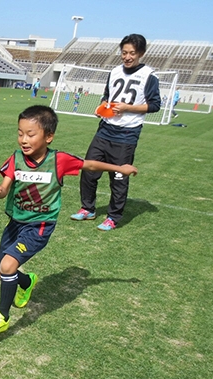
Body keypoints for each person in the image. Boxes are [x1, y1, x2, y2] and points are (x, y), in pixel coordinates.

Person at [0, 105, 138, 336]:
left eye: (31, 134)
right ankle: (26, 282)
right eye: (20, 133)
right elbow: (5, 185)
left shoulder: (58, 160)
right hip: (15, 223)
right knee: (2, 272)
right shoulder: (16, 158)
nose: (24, 139)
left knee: (8, 265)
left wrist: (119, 168)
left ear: (48, 137)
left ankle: (2, 316)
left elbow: (89, 164)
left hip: (39, 225)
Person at [71, 33, 160, 231]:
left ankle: (113, 217)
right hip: (104, 130)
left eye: (132, 53)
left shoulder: (149, 76)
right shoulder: (114, 71)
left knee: (119, 177)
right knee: (89, 170)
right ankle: (88, 208)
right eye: (124, 53)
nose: (127, 57)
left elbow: (155, 105)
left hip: (127, 134)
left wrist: (128, 108)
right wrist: (102, 106)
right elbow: (107, 96)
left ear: (141, 54)